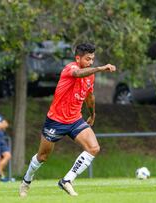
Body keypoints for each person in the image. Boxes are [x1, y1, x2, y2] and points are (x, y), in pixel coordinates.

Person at [19, 43, 116, 197]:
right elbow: (78, 74)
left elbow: (89, 97)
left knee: (93, 148)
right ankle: (26, 181)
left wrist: (92, 114)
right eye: (87, 59)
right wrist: (100, 68)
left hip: (75, 120)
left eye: (92, 59)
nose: (91, 62)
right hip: (55, 121)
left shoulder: (90, 75)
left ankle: (66, 180)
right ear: (78, 58)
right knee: (42, 157)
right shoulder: (70, 69)